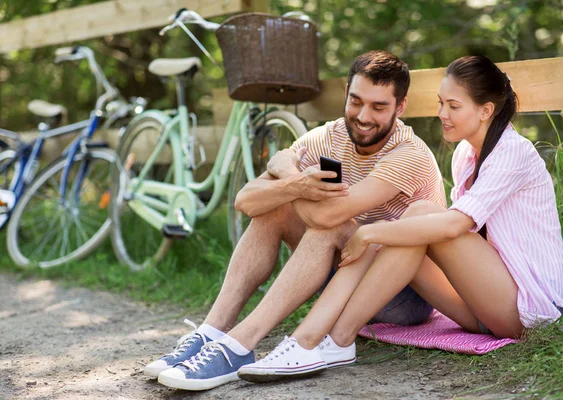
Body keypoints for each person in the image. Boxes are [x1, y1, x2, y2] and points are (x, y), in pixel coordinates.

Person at [237, 55, 563, 383]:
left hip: (528, 309)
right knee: (409, 226)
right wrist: (377, 232)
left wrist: (370, 232)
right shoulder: (465, 155)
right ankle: (323, 341)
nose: (441, 113)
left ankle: (324, 339)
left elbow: (455, 226)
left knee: (418, 217)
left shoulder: (513, 152)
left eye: (453, 105)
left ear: (486, 110)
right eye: (441, 102)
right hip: (481, 304)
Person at [144, 50, 446, 391]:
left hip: (402, 294)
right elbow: (246, 200)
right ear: (346, 92)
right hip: (345, 272)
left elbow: (329, 216)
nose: (363, 116)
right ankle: (213, 330)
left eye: (378, 107)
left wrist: (287, 176)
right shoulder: (330, 136)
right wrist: (294, 181)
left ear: (400, 107)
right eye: (356, 101)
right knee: (273, 208)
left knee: (324, 220)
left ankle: (242, 342)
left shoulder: (409, 154)